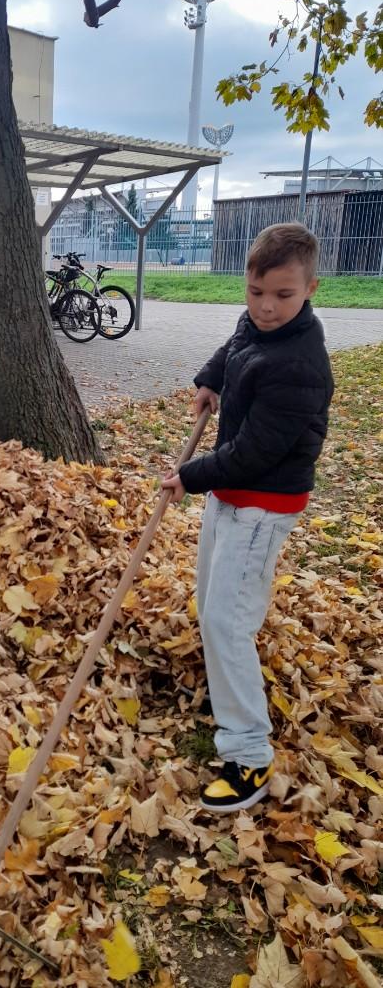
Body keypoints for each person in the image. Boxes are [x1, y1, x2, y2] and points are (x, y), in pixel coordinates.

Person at [161, 222, 333, 813]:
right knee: (214, 604)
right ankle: (231, 687)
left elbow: (256, 452)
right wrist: (211, 378)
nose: (265, 307)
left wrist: (190, 476)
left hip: (262, 501)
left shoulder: (301, 365)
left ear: (311, 289)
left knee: (227, 621)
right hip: (233, 493)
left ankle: (249, 754)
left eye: (283, 295)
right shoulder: (260, 324)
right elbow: (238, 341)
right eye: (256, 291)